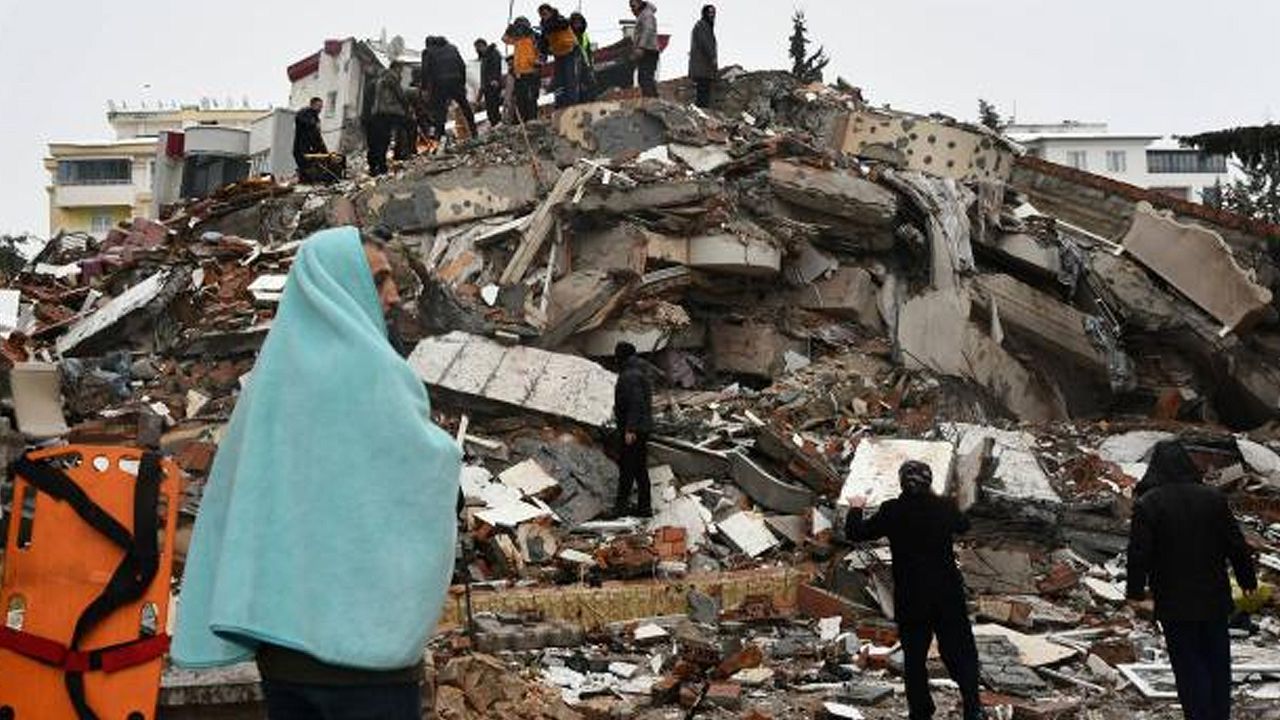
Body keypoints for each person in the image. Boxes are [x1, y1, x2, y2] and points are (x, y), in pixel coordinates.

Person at [172, 226, 462, 720]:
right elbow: (430, 471)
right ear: (339, 284)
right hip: (365, 658)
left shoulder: (269, 383)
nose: (392, 297)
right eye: (379, 280)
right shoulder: (375, 372)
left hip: (281, 652)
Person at [1127, 440, 1257, 720]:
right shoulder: (1213, 499)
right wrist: (1248, 579)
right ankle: (1219, 714)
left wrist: (1135, 591)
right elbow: (1235, 544)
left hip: (1174, 599)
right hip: (1213, 595)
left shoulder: (1149, 504)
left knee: (1188, 663)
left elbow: (1139, 553)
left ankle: (1198, 715)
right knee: (1217, 660)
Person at [845, 461, 984, 720]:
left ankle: (921, 712)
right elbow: (964, 525)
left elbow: (855, 533)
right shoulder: (944, 507)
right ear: (930, 481)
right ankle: (972, 707)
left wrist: (856, 507)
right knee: (960, 651)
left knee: (915, 658)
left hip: (912, 596)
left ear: (901, 482)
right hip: (947, 594)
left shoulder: (892, 511)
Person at [613, 342, 653, 517]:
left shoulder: (630, 375)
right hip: (641, 428)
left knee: (628, 468)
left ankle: (621, 507)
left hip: (634, 431)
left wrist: (630, 429)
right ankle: (644, 508)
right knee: (639, 469)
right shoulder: (637, 372)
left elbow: (636, 403)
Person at [420, 36, 478, 140]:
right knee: (465, 107)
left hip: (439, 83)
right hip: (456, 81)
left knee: (440, 111)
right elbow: (462, 66)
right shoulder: (452, 48)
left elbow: (425, 70)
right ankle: (474, 132)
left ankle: (439, 138)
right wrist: (462, 83)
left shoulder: (427, 51)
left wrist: (424, 88)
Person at [366, 68, 409, 176]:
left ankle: (373, 168)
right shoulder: (391, 78)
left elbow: (368, 99)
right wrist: (406, 108)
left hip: (372, 115)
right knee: (384, 141)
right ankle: (382, 167)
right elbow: (400, 95)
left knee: (373, 142)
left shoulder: (373, 83)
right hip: (386, 114)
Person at [538, 4, 579, 108]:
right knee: (559, 80)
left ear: (551, 12)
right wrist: (543, 56)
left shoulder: (559, 20)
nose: (544, 16)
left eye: (545, 14)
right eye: (541, 15)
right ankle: (560, 102)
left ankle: (572, 103)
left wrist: (546, 27)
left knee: (570, 78)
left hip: (570, 51)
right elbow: (543, 43)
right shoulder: (545, 28)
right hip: (559, 54)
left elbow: (562, 24)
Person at [503, 17, 541, 123]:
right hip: (519, 72)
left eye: (522, 25)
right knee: (521, 97)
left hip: (532, 71)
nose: (521, 28)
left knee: (532, 96)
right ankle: (523, 120)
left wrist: (538, 61)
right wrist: (509, 29)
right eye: (518, 26)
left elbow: (542, 48)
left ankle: (532, 118)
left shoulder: (533, 36)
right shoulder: (517, 39)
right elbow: (505, 39)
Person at [688, 5, 718, 108]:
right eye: (710, 13)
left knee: (704, 90)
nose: (712, 15)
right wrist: (712, 57)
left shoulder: (706, 26)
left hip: (704, 67)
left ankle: (702, 110)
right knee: (702, 91)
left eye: (713, 13)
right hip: (702, 66)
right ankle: (701, 111)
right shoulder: (702, 26)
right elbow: (706, 44)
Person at [630, 0, 660, 97]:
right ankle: (653, 101)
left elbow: (648, 30)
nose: (632, 9)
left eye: (633, 6)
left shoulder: (646, 14)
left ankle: (652, 103)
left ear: (639, 3)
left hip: (648, 51)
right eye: (631, 7)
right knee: (645, 78)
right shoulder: (644, 15)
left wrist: (641, 47)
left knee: (645, 79)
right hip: (647, 50)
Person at [293, 97, 328, 180]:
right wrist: (313, 124)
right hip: (301, 149)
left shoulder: (316, 119)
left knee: (314, 169)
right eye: (319, 106)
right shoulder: (304, 113)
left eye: (321, 107)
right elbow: (300, 119)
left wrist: (325, 152)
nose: (320, 109)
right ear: (312, 105)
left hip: (310, 150)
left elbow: (318, 137)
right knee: (306, 168)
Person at [475, 38, 504, 127]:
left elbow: (496, 66)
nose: (478, 50)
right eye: (476, 48)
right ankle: (494, 124)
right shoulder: (484, 57)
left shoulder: (493, 53)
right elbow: (484, 75)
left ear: (483, 45)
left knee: (493, 107)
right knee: (490, 108)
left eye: (479, 47)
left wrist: (494, 79)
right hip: (487, 86)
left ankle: (497, 124)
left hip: (493, 85)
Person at [568, 12, 596, 102]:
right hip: (573, 66)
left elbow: (588, 52)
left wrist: (591, 66)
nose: (578, 24)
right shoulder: (568, 35)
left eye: (579, 22)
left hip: (585, 65)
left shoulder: (585, 35)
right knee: (576, 89)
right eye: (575, 22)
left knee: (590, 86)